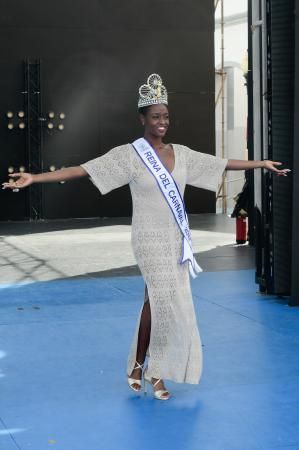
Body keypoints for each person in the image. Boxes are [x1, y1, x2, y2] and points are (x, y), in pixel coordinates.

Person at [2, 73, 290, 401]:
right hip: (148, 239)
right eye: (156, 117)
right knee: (159, 298)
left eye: (166, 116)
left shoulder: (181, 153)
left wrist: (261, 164)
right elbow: (84, 169)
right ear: (142, 119)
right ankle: (147, 368)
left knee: (159, 301)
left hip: (175, 240)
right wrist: (34, 178)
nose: (162, 122)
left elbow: (221, 163)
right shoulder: (130, 155)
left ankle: (145, 368)